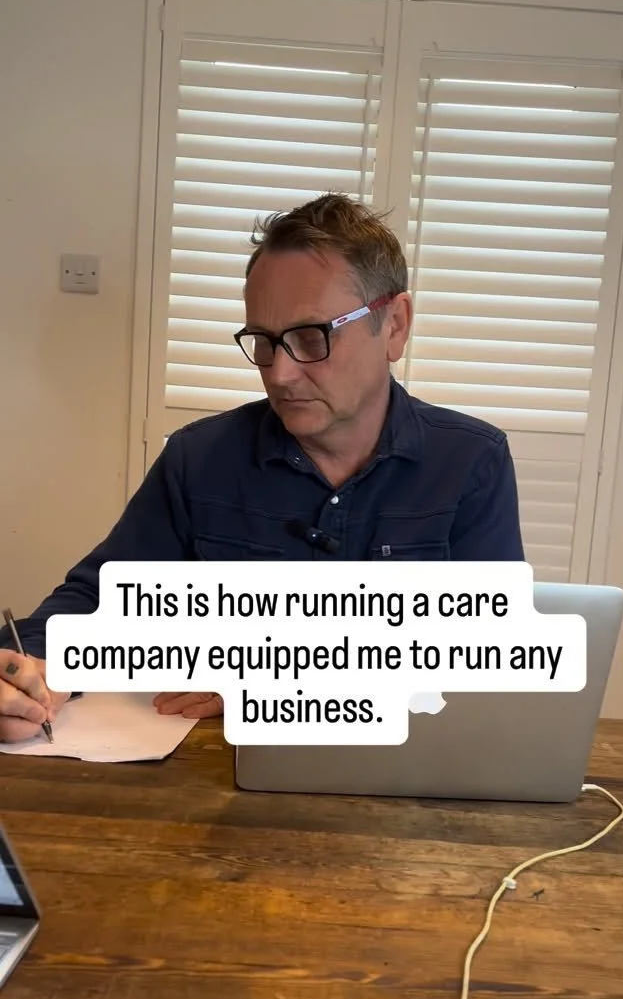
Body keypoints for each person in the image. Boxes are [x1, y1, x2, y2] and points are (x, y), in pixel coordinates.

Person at [0, 193, 524, 743]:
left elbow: (489, 655)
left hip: (408, 769)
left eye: (311, 337)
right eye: (265, 342)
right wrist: (28, 667)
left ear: (394, 325)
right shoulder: (198, 459)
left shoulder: (472, 462)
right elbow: (99, 600)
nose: (279, 374)